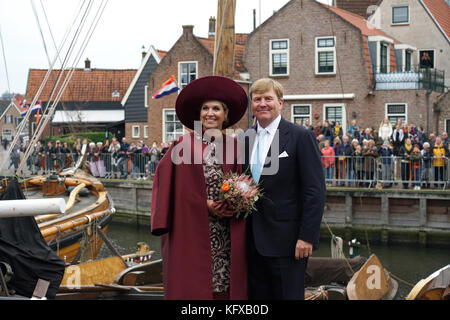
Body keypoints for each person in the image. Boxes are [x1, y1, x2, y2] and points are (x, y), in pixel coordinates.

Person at [150, 76, 248, 300]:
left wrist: (237, 202)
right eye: (205, 108)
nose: (210, 113)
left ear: (226, 114)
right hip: (192, 228)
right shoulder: (182, 146)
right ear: (198, 114)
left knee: (224, 284)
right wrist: (204, 204)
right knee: (194, 285)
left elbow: (243, 182)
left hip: (226, 229)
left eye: (216, 108)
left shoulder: (235, 146)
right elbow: (166, 187)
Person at [244, 78, 325, 300]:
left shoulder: (300, 136)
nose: (262, 104)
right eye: (257, 99)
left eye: (268, 98)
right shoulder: (245, 138)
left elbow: (314, 191)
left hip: (288, 242)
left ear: (280, 102)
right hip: (251, 242)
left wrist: (307, 237)